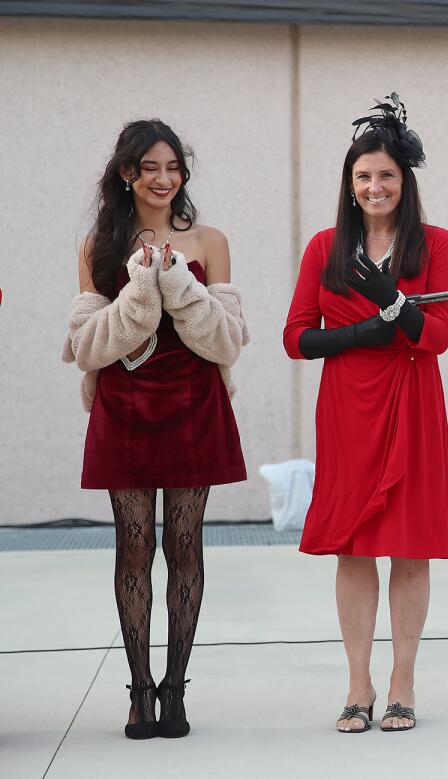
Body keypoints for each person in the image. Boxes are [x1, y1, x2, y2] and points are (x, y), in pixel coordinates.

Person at [64, 119, 248, 739]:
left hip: (195, 403)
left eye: (173, 168)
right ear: (126, 174)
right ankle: (139, 689)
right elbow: (87, 345)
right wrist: (142, 285)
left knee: (186, 546)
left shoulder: (211, 240)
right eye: (151, 168)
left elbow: (227, 339)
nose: (164, 179)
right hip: (125, 405)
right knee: (133, 548)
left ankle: (176, 689)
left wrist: (176, 279)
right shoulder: (98, 247)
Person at [283, 95, 448, 733]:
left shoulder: (436, 244)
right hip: (349, 407)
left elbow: (437, 336)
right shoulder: (326, 247)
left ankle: (402, 683)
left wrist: (390, 299)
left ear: (404, 181)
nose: (374, 186)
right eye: (363, 176)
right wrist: (362, 335)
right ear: (349, 185)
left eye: (386, 175)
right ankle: (357, 683)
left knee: (410, 548)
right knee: (352, 549)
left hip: (412, 403)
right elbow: (296, 337)